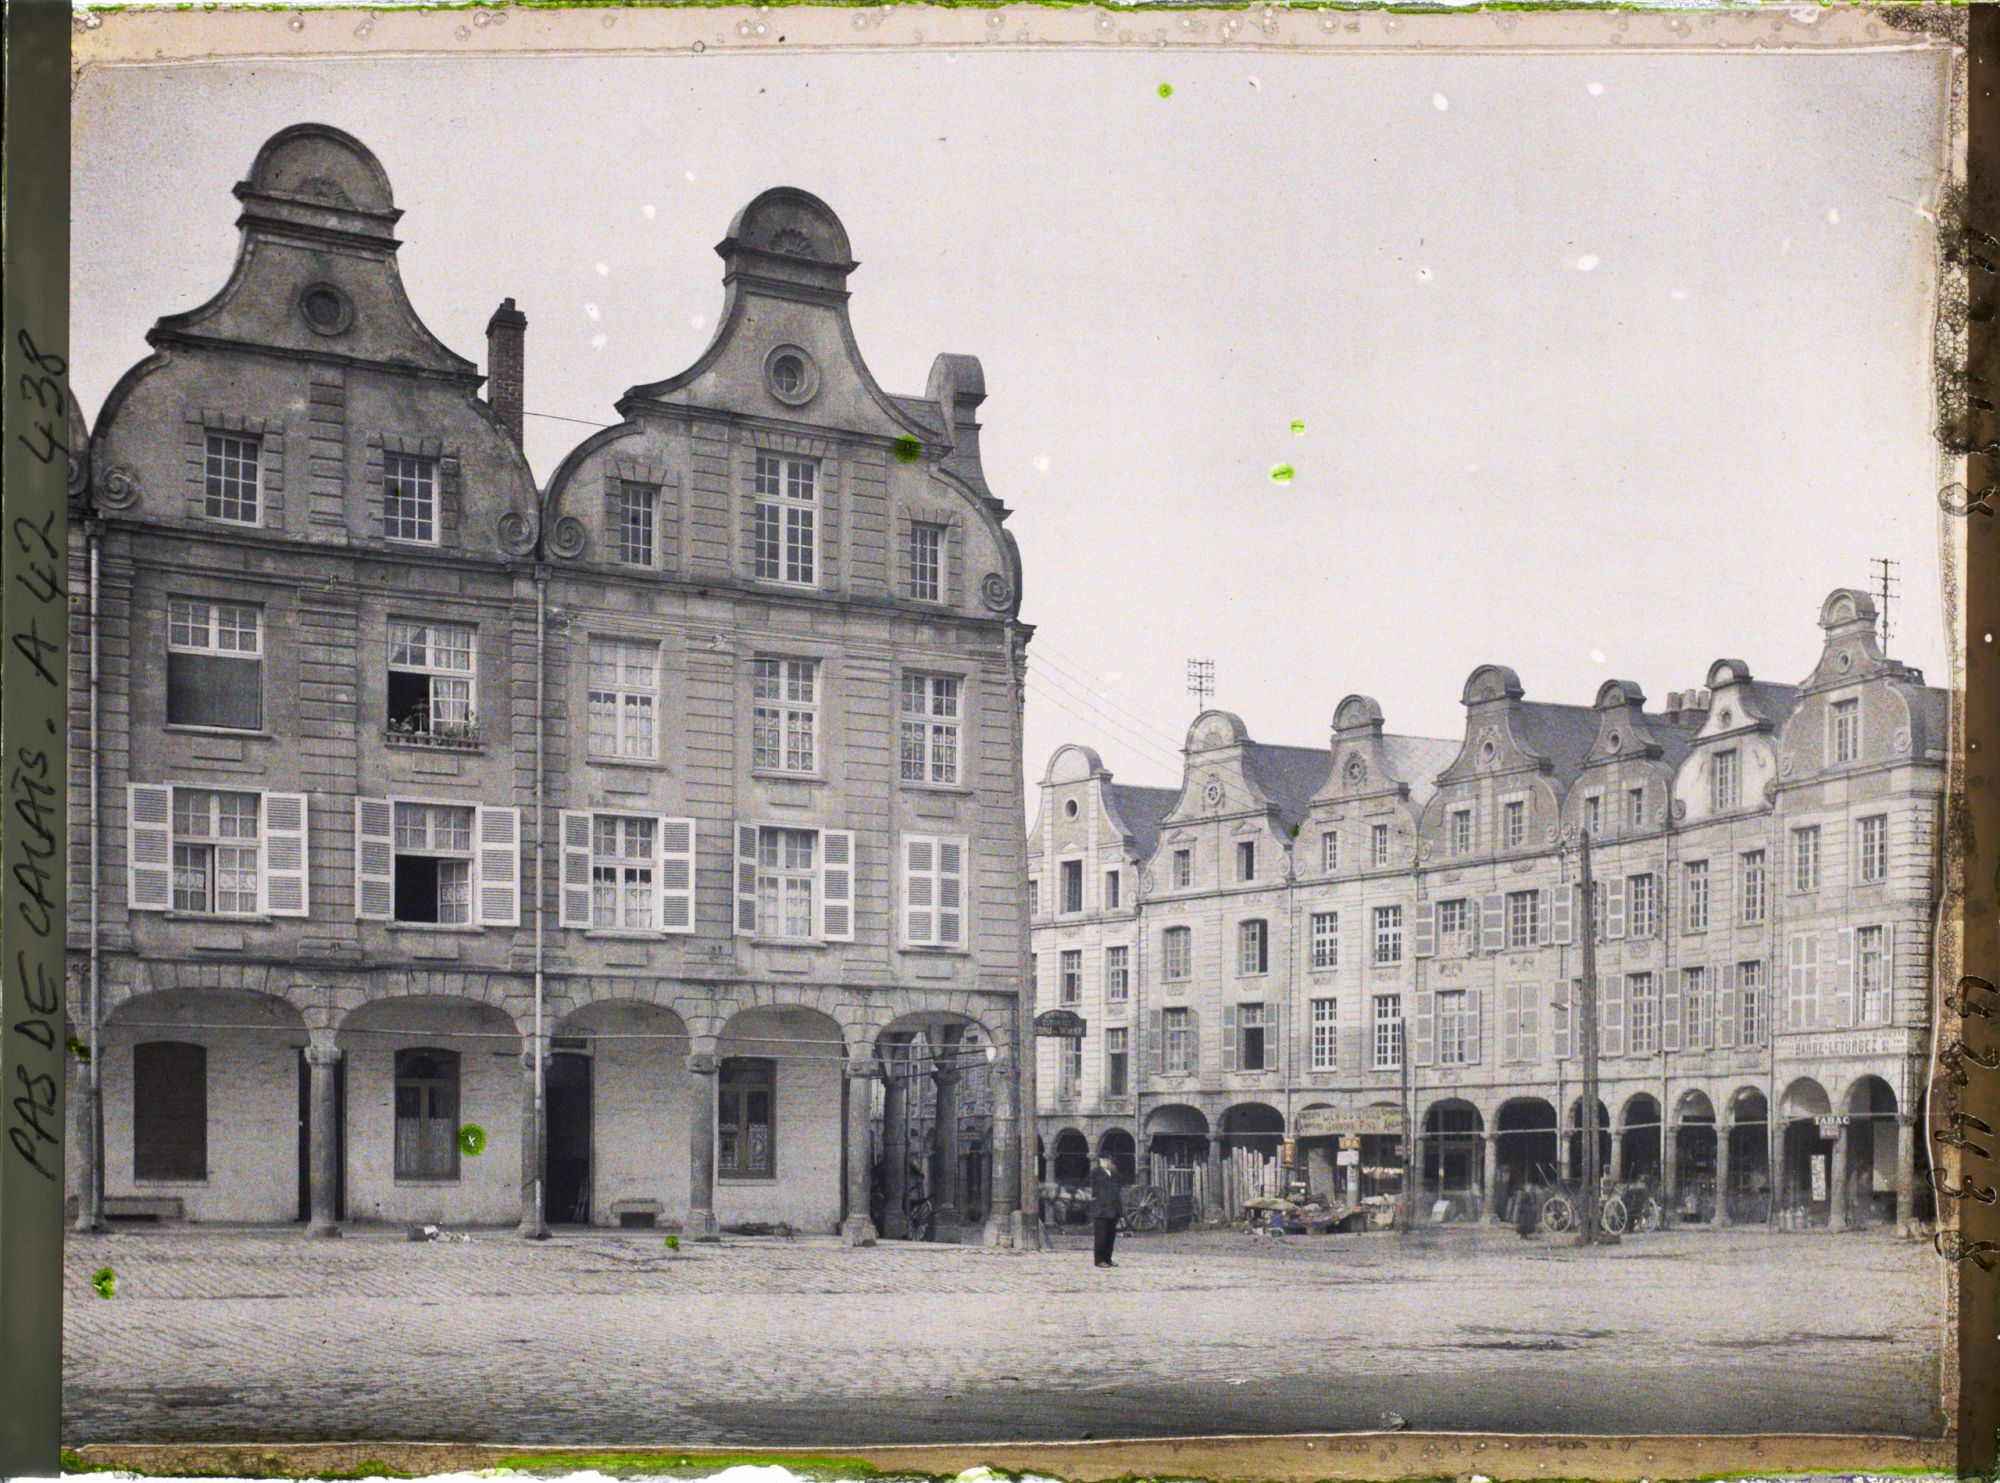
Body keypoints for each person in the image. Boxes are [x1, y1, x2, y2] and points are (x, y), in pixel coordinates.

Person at [1090, 1153, 1125, 1267]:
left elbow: (1119, 1185)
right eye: (1103, 1160)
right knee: (1101, 1236)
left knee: (1111, 1236)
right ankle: (1099, 1260)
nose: (1106, 1162)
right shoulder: (1096, 1172)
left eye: (1108, 1160)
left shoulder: (1114, 1173)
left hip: (1113, 1208)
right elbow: (1094, 1186)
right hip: (1102, 1209)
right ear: (1100, 1160)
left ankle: (1108, 1258)